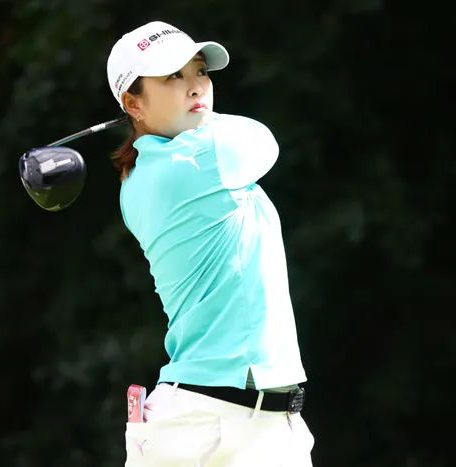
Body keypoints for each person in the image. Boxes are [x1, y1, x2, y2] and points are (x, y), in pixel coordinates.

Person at [106, 21, 315, 466]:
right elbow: (264, 139)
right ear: (132, 102)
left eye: (200, 71)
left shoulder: (139, 178)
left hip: (224, 418)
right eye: (173, 76)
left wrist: (162, 115)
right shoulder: (204, 158)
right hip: (216, 423)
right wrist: (199, 115)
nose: (195, 86)